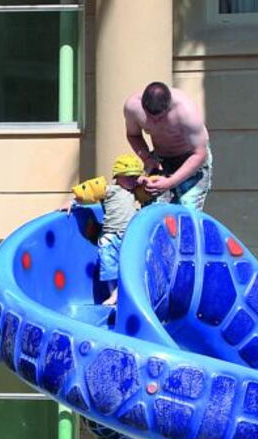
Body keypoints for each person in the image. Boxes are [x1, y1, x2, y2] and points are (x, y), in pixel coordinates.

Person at [64, 154, 145, 306]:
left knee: (130, 264)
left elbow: (150, 187)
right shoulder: (110, 190)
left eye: (135, 177)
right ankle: (114, 294)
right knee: (109, 266)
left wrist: (142, 179)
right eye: (128, 177)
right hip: (109, 236)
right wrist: (72, 201)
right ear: (118, 176)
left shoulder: (135, 192)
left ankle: (125, 293)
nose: (132, 180)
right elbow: (89, 191)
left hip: (129, 235)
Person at [124, 81, 213, 210]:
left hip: (190, 160)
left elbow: (200, 154)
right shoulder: (132, 107)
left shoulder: (186, 111)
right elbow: (133, 135)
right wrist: (147, 159)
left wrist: (170, 182)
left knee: (186, 208)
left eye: (160, 117)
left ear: (168, 106)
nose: (155, 121)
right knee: (155, 209)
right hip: (161, 160)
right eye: (150, 117)